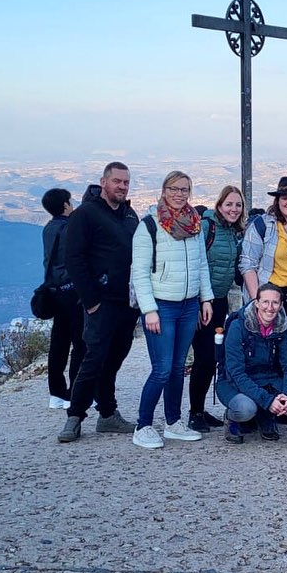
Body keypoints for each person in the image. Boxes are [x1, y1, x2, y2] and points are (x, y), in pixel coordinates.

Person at [129, 171, 214, 449]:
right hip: (162, 305)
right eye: (174, 189)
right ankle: (143, 425)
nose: (179, 194)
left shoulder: (194, 223)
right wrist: (149, 310)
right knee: (162, 369)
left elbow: (201, 265)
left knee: (178, 367)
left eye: (184, 189)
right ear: (164, 190)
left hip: (189, 304)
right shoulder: (149, 226)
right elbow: (140, 273)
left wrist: (206, 299)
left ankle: (173, 422)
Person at [58, 162, 140, 443]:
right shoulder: (85, 214)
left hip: (127, 303)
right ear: (103, 182)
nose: (122, 186)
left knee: (114, 359)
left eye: (126, 182)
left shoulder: (129, 215)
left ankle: (107, 414)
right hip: (101, 303)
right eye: (117, 181)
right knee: (93, 358)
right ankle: (74, 416)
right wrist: (91, 301)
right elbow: (74, 259)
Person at [239, 176, 287, 422]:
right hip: (271, 296)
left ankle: (284, 404)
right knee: (265, 353)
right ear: (277, 201)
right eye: (285, 198)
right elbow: (248, 264)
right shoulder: (263, 226)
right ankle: (262, 406)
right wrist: (257, 301)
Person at [217, 282, 287, 443]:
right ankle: (232, 418)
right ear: (257, 303)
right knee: (246, 409)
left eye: (275, 302)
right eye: (265, 302)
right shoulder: (238, 326)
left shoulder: (282, 327)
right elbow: (236, 373)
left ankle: (266, 415)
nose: (270, 307)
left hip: (268, 380)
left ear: (281, 305)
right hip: (233, 381)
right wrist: (268, 401)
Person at [187, 185, 246, 433]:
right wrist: (200, 301)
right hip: (202, 302)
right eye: (229, 204)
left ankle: (199, 410)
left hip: (219, 301)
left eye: (238, 205)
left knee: (212, 358)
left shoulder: (233, 232)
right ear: (219, 205)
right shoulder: (207, 227)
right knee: (204, 357)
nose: (234, 209)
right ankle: (194, 413)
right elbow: (196, 263)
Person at [40, 188, 86, 410]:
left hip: (54, 291)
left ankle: (56, 393)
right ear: (66, 205)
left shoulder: (48, 228)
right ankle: (74, 393)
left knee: (59, 343)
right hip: (72, 291)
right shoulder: (69, 228)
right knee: (80, 342)